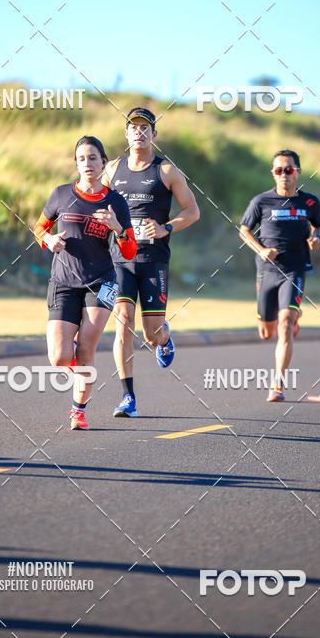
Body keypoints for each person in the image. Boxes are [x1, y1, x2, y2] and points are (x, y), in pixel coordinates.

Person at [33, 136, 136, 430]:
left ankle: (78, 411)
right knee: (59, 357)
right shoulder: (61, 194)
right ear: (76, 164)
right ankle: (76, 357)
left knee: (86, 348)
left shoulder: (116, 202)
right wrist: (48, 239)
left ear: (103, 163)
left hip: (102, 281)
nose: (87, 163)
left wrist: (117, 228)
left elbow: (130, 250)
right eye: (81, 158)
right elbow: (39, 227)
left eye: (93, 158)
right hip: (64, 281)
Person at [103, 107, 200, 418]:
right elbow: (96, 204)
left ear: (153, 134)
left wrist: (165, 228)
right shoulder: (112, 170)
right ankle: (127, 397)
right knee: (122, 322)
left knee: (151, 334)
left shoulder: (167, 171)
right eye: (134, 127)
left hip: (153, 260)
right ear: (126, 133)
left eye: (145, 127)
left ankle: (165, 337)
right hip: (120, 260)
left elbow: (192, 211)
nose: (139, 132)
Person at [239, 149, 320, 402]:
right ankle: (293, 318)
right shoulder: (261, 202)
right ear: (273, 173)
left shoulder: (309, 202)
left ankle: (277, 384)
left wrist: (317, 238)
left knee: (284, 324)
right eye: (279, 170)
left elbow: (318, 225)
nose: (284, 174)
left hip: (294, 268)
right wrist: (261, 250)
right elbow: (244, 230)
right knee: (266, 332)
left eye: (289, 169)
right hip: (267, 271)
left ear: (298, 172)